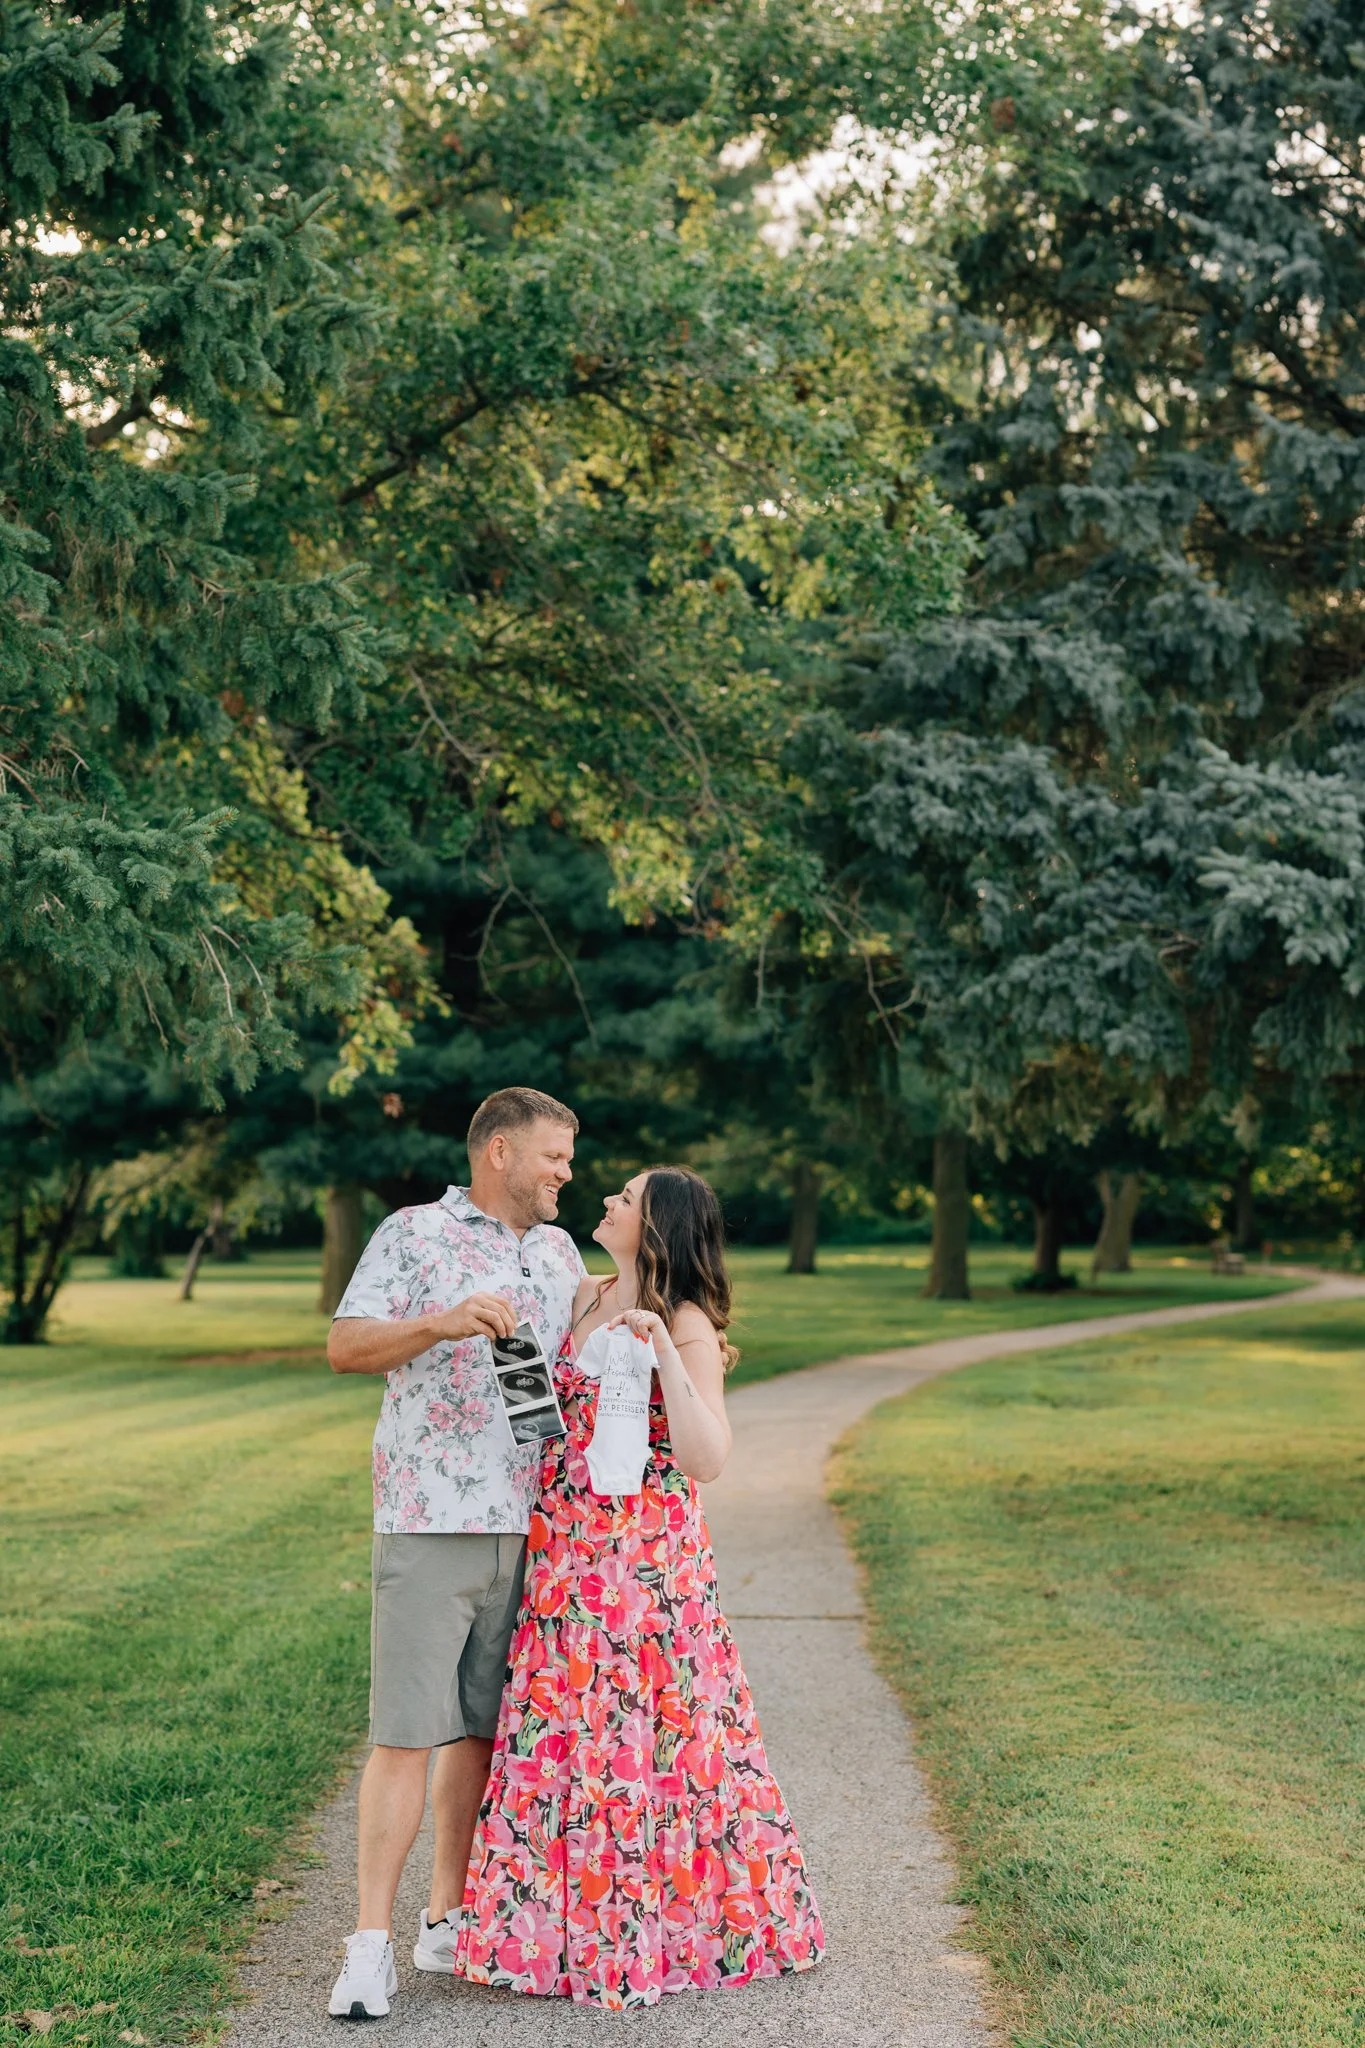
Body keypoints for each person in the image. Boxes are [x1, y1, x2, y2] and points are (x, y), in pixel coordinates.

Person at [454, 1165, 825, 2009]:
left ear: (654, 1224)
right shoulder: (579, 1297)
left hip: (646, 1571)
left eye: (625, 1197)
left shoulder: (684, 1320)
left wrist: (660, 1346)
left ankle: (668, 1930)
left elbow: (707, 1458)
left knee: (654, 1742)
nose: (608, 1200)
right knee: (561, 1738)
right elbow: (539, 1413)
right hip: (563, 1560)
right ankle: (550, 1939)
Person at [325, 1087, 585, 2021]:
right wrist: (438, 1323)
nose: (565, 1173)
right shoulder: (411, 1235)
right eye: (554, 1156)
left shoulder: (557, 1253)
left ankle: (444, 1918)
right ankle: (368, 1948)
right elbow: (345, 1346)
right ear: (500, 1152)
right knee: (403, 1733)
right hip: (431, 1519)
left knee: (480, 1730)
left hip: (533, 1527)